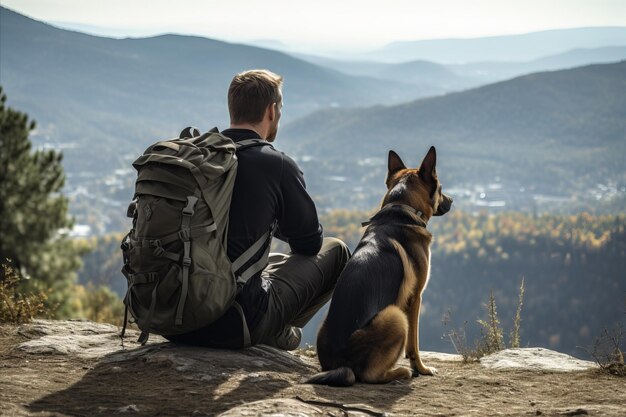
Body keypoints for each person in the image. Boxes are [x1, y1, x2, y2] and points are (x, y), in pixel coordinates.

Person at [166, 69, 350, 350]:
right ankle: (275, 330)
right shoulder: (275, 165)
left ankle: (268, 328)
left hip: (174, 320)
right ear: (272, 111)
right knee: (336, 250)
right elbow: (310, 243)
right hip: (234, 325)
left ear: (233, 109)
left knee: (270, 261)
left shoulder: (198, 160)